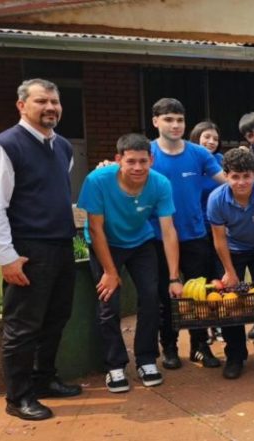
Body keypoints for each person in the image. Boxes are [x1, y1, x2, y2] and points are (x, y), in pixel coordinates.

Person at [0, 78, 81, 420]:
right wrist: (7, 259)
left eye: (55, 101)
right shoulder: (4, 147)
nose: (51, 107)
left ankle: (44, 380)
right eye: (42, 101)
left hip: (60, 246)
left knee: (55, 320)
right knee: (22, 327)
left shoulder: (63, 147)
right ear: (22, 105)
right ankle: (18, 397)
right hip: (27, 251)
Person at [78, 133, 180, 392]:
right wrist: (110, 272)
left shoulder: (160, 184)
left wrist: (174, 276)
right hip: (105, 244)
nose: (138, 167)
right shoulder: (97, 181)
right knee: (108, 304)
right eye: (131, 161)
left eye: (143, 161)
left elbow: (168, 231)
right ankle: (115, 365)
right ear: (118, 160)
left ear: (151, 160)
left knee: (150, 298)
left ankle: (147, 359)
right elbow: (96, 228)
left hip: (140, 243)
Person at [148, 98, 226, 370]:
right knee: (165, 296)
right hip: (156, 237)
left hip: (194, 235)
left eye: (180, 120)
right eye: (168, 119)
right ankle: (169, 347)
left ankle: (199, 346)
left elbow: (227, 182)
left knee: (198, 295)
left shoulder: (199, 154)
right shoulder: (147, 154)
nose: (175, 125)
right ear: (156, 121)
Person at [207, 147, 254, 378]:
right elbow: (219, 240)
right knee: (230, 303)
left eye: (247, 176)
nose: (241, 182)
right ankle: (235, 355)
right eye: (235, 176)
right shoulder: (216, 199)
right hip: (231, 249)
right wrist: (230, 273)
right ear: (227, 175)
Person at [190, 120, 225, 345]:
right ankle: (204, 327)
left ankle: (220, 323)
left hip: (220, 229)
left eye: (214, 138)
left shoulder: (221, 162)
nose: (211, 142)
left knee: (220, 277)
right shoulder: (190, 161)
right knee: (200, 280)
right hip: (195, 230)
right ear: (196, 138)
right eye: (206, 137)